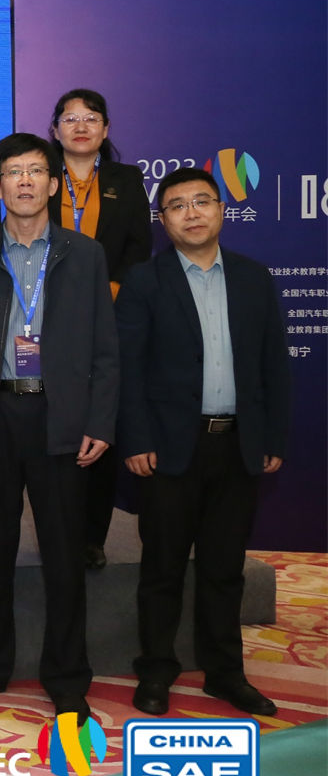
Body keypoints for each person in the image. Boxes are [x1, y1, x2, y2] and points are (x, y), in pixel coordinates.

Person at [0, 132, 118, 720]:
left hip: (61, 416)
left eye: (36, 171)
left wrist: (100, 420)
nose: (25, 181)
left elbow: (106, 349)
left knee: (64, 555)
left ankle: (66, 677)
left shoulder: (84, 254)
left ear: (53, 183)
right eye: (13, 172)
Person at [117, 167, 289, 718]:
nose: (191, 213)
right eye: (177, 205)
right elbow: (128, 369)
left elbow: (273, 363)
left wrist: (272, 435)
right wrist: (136, 439)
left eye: (202, 202)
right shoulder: (145, 281)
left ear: (221, 210)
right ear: (162, 220)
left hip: (237, 444)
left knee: (224, 567)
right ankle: (156, 670)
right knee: (162, 568)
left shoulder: (253, 278)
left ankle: (225, 673)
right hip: (169, 448)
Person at [47, 88, 152, 571]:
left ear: (106, 129)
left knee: (100, 424)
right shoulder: (41, 177)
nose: (81, 126)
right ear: (55, 130)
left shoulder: (126, 180)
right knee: (54, 425)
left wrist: (106, 294)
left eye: (91, 118)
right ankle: (58, 532)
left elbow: (138, 248)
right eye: (70, 118)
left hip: (108, 317)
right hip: (46, 316)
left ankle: (93, 537)